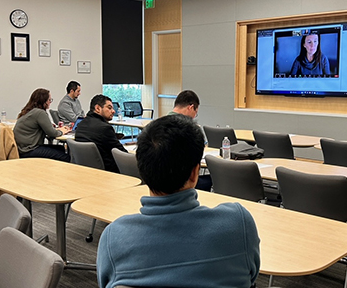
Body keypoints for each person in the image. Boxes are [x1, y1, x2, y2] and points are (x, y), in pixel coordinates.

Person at [96, 115, 260, 288]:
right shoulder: (238, 224)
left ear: (142, 169)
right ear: (195, 173)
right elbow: (251, 277)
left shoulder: (114, 237)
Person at [13, 88, 70, 162]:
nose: (50, 102)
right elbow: (52, 133)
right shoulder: (40, 113)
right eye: (49, 100)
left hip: (22, 148)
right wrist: (62, 131)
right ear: (43, 101)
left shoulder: (28, 111)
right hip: (29, 150)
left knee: (60, 148)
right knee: (65, 156)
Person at [75, 95, 127, 173]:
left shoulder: (80, 125)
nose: (113, 111)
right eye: (109, 108)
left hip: (85, 171)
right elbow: (122, 154)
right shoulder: (105, 128)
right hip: (110, 173)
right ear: (98, 108)